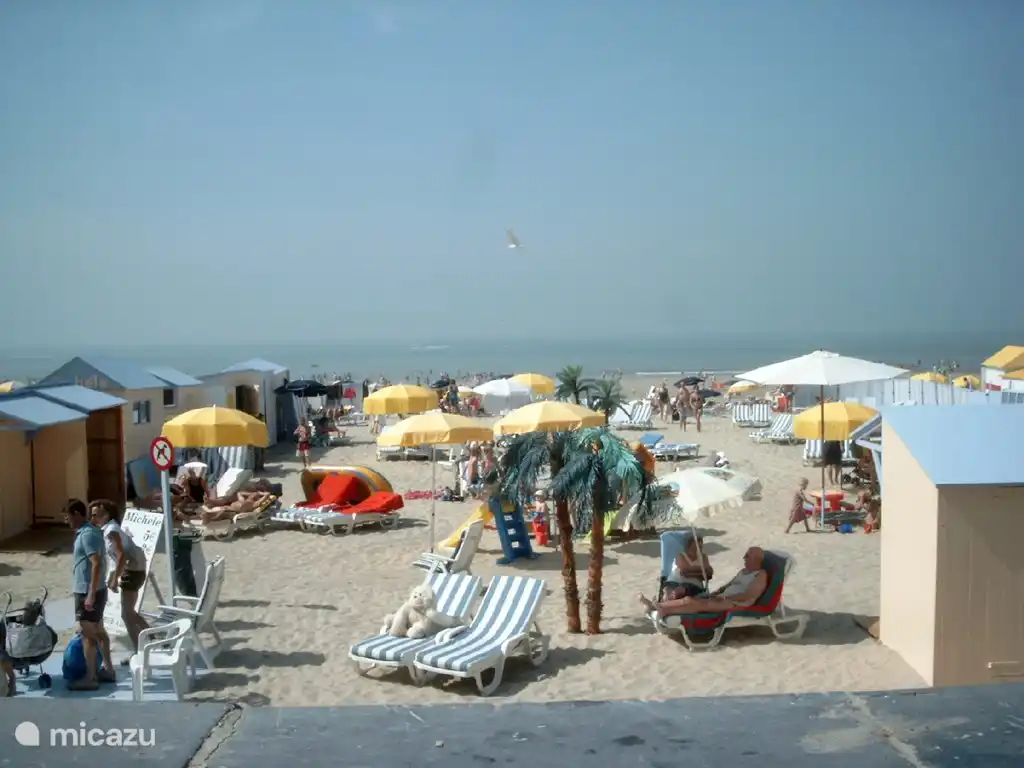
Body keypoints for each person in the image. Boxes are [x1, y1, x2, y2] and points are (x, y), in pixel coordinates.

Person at [65, 499, 116, 689]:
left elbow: (96, 563)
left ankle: (91, 678)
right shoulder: (90, 532)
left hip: (87, 590)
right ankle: (108, 670)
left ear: (77, 514)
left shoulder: (87, 535)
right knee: (100, 632)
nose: (67, 521)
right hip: (93, 589)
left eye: (68, 517)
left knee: (89, 636)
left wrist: (90, 595)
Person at [89, 500, 149, 660]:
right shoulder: (112, 528)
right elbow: (119, 557)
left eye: (96, 515)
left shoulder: (111, 531)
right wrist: (113, 576)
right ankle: (151, 637)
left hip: (132, 572)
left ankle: (139, 651)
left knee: (127, 615)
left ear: (106, 515)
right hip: (136, 570)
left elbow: (121, 555)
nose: (93, 519)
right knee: (130, 613)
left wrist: (115, 579)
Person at [639, 547, 768, 618]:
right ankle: (663, 608)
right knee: (695, 603)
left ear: (756, 560)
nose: (744, 557)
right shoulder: (743, 571)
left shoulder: (760, 575)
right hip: (724, 598)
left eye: (747, 556)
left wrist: (725, 597)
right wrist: (717, 592)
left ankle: (661, 607)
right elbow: (729, 585)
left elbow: (748, 595)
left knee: (693, 602)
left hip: (735, 604)